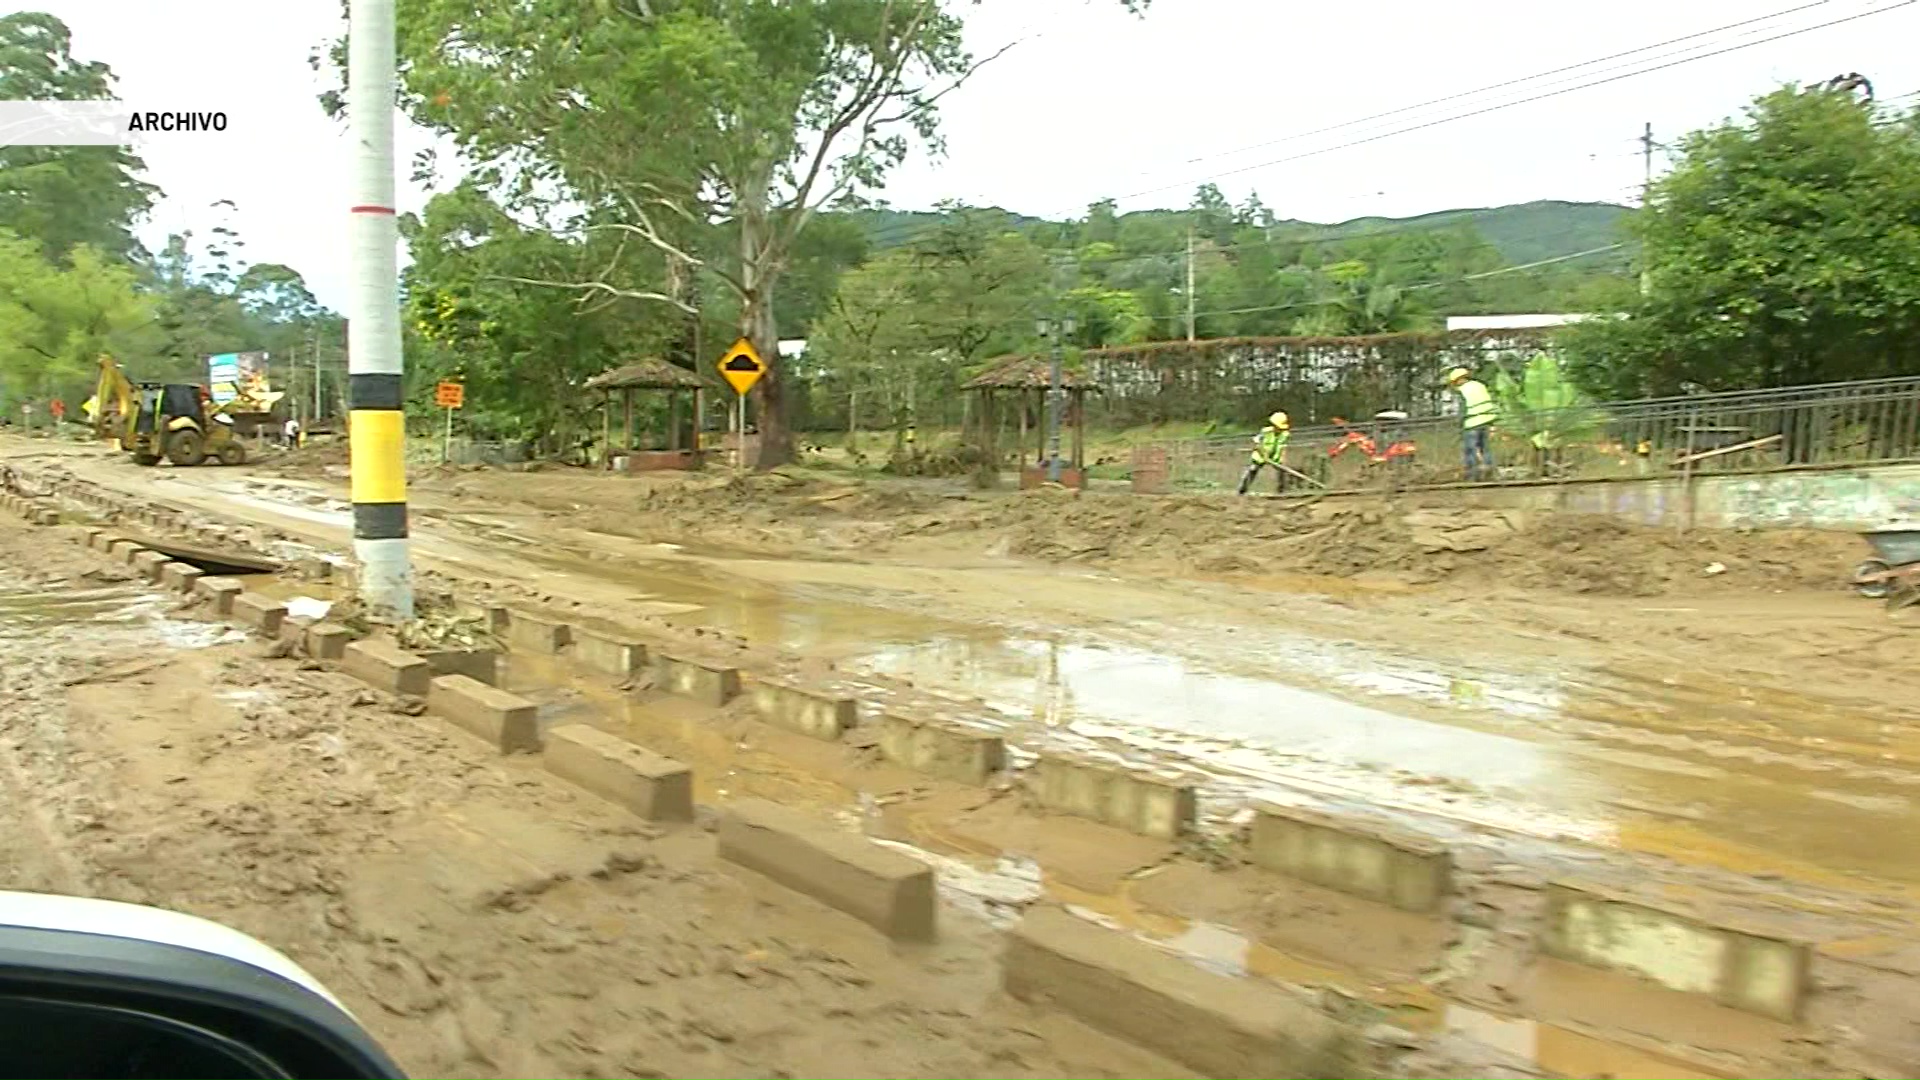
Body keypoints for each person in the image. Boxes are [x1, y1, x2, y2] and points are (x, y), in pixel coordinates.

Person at [1446, 367, 1496, 481]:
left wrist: (1459, 425)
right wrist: (1492, 423)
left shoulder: (1462, 390)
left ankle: (1472, 475)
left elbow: (1462, 410)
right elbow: (1488, 403)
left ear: (1458, 380)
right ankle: (1489, 472)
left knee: (1470, 450)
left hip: (1471, 423)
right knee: (1486, 449)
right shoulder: (1480, 386)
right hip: (1486, 421)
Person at [1237, 411, 1291, 495]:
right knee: (1252, 469)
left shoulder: (1284, 434)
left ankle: (1281, 491)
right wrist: (1262, 453)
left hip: (1275, 456)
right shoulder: (1266, 431)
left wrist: (1282, 459)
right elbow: (1257, 441)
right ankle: (1242, 491)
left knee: (1282, 471)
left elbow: (1283, 447)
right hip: (1261, 455)